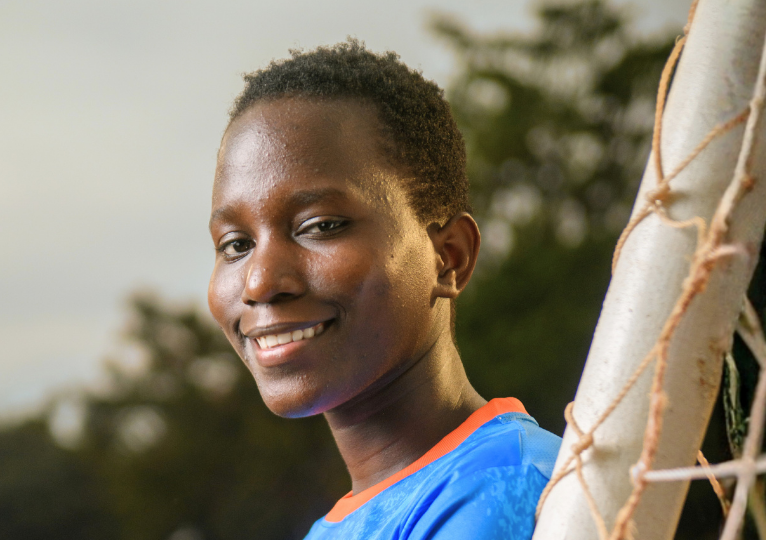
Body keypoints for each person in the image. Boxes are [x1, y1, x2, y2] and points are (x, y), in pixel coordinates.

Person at [206, 40, 562, 539]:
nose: (260, 281)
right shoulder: (339, 526)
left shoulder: (505, 490)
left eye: (321, 226)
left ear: (449, 257)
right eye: (236, 244)